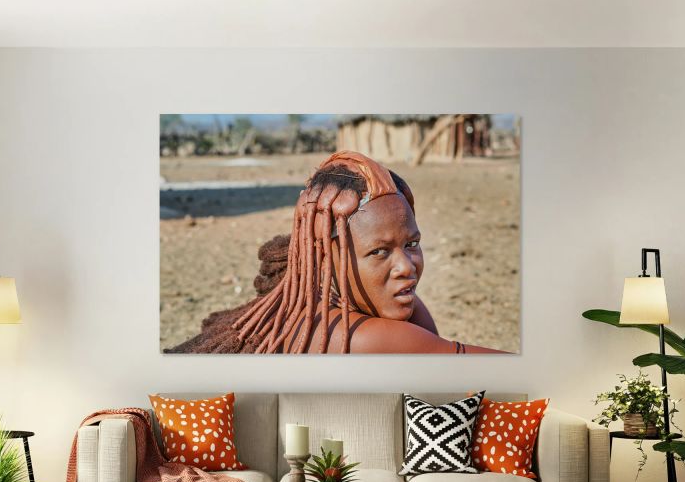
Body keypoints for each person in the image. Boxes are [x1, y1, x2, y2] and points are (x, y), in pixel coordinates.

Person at [168, 150, 507, 354]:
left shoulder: (312, 304)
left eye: (412, 244)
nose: (406, 266)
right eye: (379, 252)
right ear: (327, 259)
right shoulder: (363, 338)